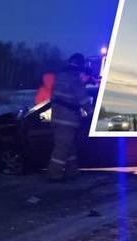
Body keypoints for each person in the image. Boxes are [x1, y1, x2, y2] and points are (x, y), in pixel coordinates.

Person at [47, 53, 92, 181]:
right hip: (67, 121)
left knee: (69, 147)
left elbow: (55, 98)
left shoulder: (60, 77)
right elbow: (83, 99)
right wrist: (92, 113)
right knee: (61, 149)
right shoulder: (74, 79)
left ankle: (72, 170)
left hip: (57, 118)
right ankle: (54, 174)